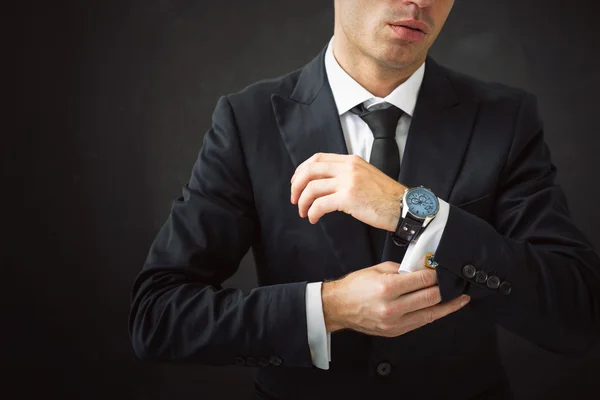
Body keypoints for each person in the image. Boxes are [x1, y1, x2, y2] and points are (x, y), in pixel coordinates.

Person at [128, 1, 600, 399]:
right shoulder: (246, 121)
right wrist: (330, 308)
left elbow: (577, 311)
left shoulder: (506, 119)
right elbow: (160, 315)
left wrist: (416, 212)